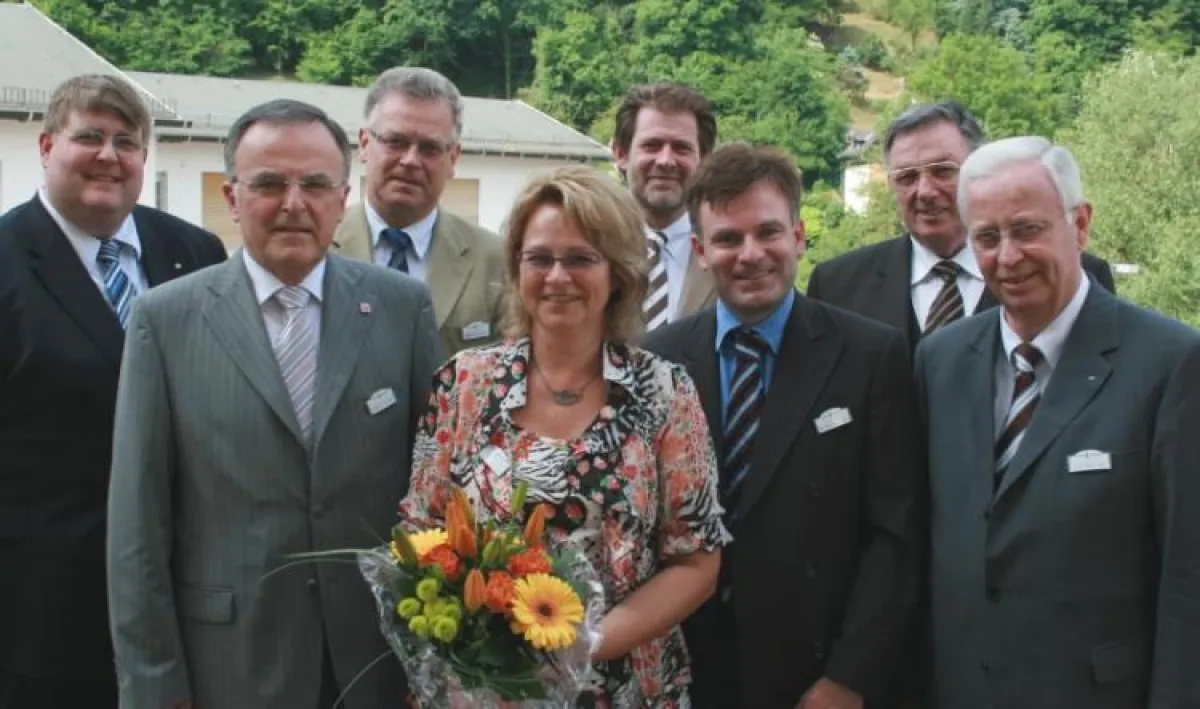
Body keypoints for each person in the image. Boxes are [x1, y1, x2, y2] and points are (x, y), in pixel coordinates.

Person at [106, 99, 442, 709]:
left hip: (376, 657)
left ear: (342, 197)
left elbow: (438, 491)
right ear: (232, 198)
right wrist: (153, 684)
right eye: (269, 184)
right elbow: (137, 521)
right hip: (230, 663)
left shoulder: (401, 307)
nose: (294, 203)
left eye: (315, 184)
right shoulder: (166, 320)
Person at [397, 165, 728, 706]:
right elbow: (420, 531)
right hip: (483, 689)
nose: (557, 277)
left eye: (580, 259)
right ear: (516, 267)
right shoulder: (462, 382)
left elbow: (696, 563)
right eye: (539, 258)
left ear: (616, 273)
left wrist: (587, 643)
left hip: (621, 687)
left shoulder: (665, 392)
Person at [916, 136, 1200, 708]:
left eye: (1027, 230)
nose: (1008, 256)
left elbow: (1187, 577)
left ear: (1081, 223)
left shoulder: (1169, 362)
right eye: (988, 238)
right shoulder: (939, 360)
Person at [644, 144, 923, 709]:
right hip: (688, 668)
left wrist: (852, 675)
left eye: (767, 232)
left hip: (816, 673)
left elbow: (896, 536)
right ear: (700, 250)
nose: (750, 254)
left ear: (798, 236)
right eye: (727, 239)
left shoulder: (870, 355)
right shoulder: (659, 360)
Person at [0, 74, 226, 709]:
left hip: (187, 591)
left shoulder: (195, 251)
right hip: (45, 609)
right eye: (89, 136)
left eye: (127, 141)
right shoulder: (6, 260)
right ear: (46, 147)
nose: (109, 155)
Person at [808, 101, 1115, 351]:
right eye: (907, 177)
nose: (925, 191)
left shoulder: (1076, 274)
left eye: (943, 171)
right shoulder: (838, 285)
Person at [334, 66, 505, 356]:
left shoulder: (498, 260)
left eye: (429, 148)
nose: (411, 160)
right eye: (395, 142)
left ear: (453, 158)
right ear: (364, 144)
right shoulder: (318, 248)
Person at [611, 82, 718, 331]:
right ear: (621, 154)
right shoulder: (589, 245)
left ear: (704, 160)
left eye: (681, 148)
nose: (666, 160)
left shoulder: (727, 255)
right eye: (652, 145)